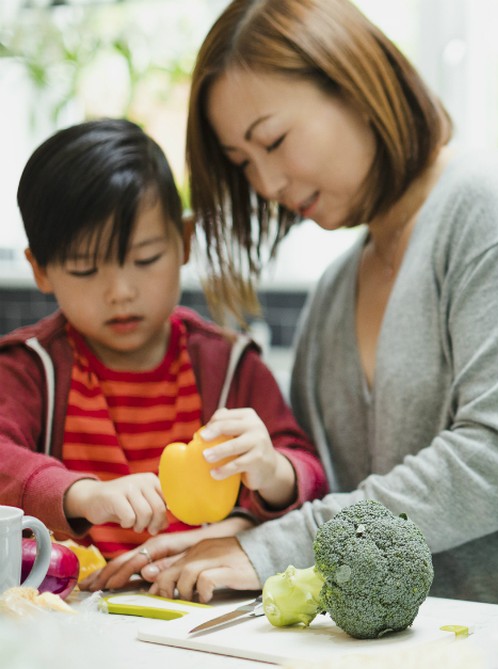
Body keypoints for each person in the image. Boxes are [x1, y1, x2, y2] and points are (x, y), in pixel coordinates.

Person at [134, 0, 498, 605]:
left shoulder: (497, 206)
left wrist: (275, 547)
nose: (266, 184)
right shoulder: (335, 291)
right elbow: (328, 495)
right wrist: (245, 530)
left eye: (274, 141)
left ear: (355, 87)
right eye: (243, 164)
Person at [0, 119, 328, 576]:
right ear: (40, 270)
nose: (120, 291)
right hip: (64, 615)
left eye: (146, 259)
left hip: (202, 608)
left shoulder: (229, 364)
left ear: (185, 242)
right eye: (84, 269)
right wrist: (83, 495)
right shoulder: (29, 368)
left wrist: (273, 471)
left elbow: (310, 474)